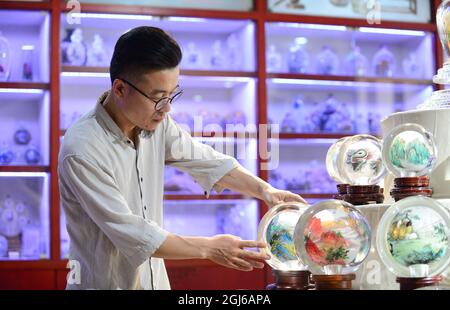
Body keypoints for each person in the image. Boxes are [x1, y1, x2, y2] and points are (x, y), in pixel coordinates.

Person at [58, 26, 306, 290]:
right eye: (157, 98)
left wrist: (265, 190)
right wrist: (209, 248)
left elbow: (206, 160)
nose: (166, 109)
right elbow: (133, 233)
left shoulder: (155, 123)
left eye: (172, 94)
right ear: (119, 89)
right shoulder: (82, 150)